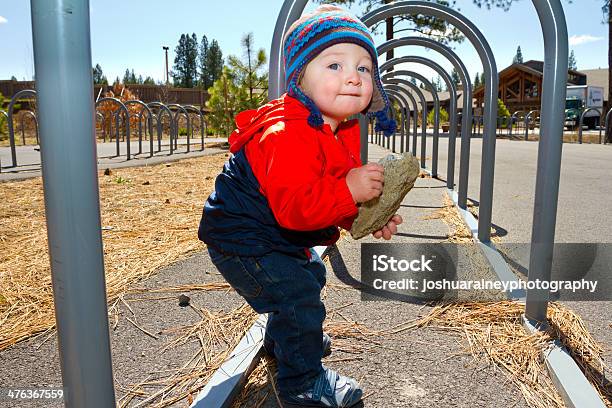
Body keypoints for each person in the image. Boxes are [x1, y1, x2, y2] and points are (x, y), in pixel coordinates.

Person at [198, 5, 402, 407]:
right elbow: (296, 208)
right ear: (300, 77)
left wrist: (363, 213)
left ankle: (288, 339)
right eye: (334, 64)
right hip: (243, 239)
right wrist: (350, 190)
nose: (352, 76)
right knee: (296, 294)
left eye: (364, 68)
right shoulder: (287, 132)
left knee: (306, 274)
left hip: (271, 235)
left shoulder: (334, 129)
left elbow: (328, 192)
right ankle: (303, 384)